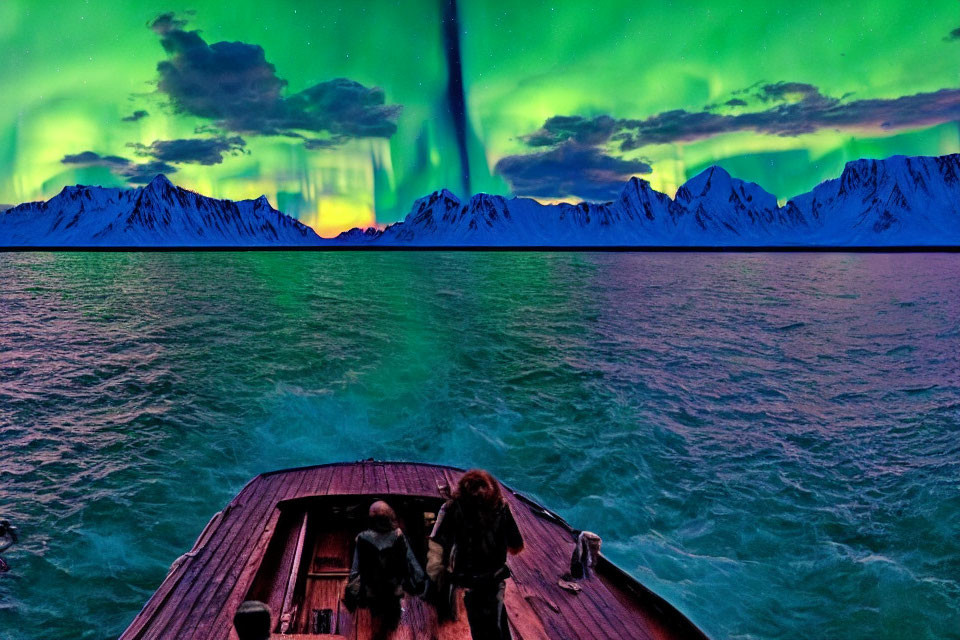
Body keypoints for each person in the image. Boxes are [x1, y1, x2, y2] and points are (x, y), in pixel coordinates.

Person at [429, 469, 524, 640]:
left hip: (469, 578)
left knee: (480, 628)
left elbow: (438, 542)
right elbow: (516, 545)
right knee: (498, 621)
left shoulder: (452, 508)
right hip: (494, 578)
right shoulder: (501, 507)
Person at [344, 501, 425, 639]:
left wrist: (352, 592)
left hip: (372, 594)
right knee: (392, 629)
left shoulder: (363, 538)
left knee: (375, 630)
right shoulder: (398, 536)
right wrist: (420, 582)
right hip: (393, 592)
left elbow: (355, 570)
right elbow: (412, 562)